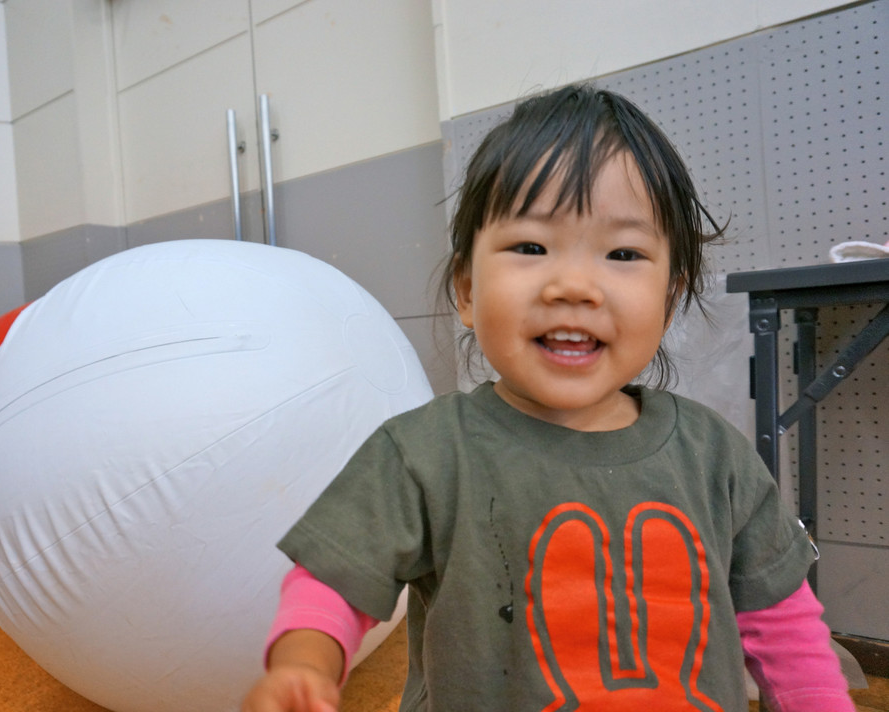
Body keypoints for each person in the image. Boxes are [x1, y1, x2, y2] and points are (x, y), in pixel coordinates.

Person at [241, 84, 854, 711]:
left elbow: (786, 632)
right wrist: (304, 664)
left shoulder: (714, 457)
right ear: (467, 290)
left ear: (669, 297)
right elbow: (334, 582)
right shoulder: (424, 453)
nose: (574, 286)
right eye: (531, 247)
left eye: (623, 252)